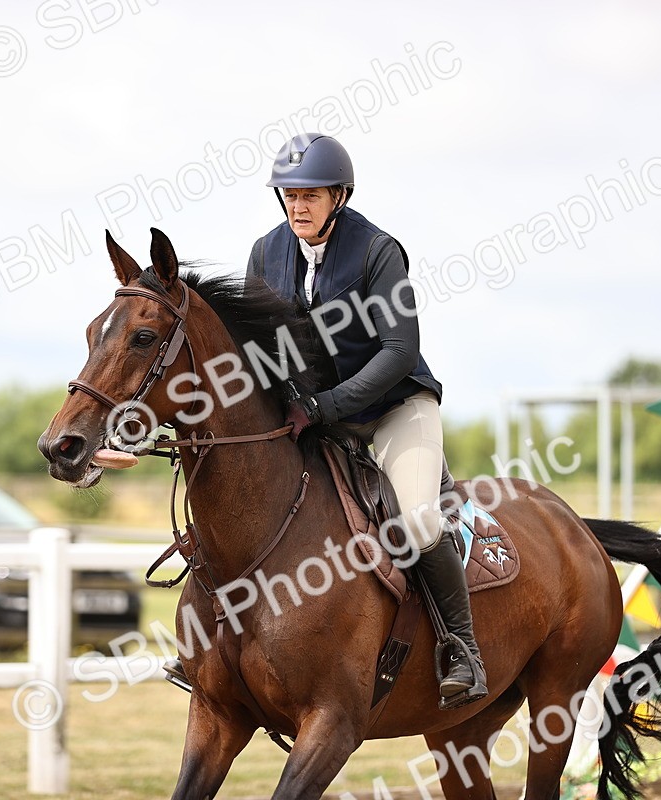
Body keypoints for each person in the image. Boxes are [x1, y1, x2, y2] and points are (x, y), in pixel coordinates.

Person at [163, 133, 487, 707]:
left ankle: (461, 650)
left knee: (417, 520)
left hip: (392, 408)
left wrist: (322, 407)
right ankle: (211, 647)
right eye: (288, 196)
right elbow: (257, 350)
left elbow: (398, 351)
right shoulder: (267, 252)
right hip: (312, 414)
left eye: (310, 195)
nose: (297, 207)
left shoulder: (377, 251)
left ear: (339, 195)